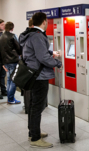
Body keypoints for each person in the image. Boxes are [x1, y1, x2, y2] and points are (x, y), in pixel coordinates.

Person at [19, 12, 62, 148]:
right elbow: (42, 58)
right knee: (38, 106)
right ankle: (35, 139)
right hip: (40, 75)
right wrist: (57, 63)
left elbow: (34, 52)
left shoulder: (29, 34)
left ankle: (33, 132)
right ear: (44, 21)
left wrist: (50, 53)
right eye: (47, 21)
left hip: (33, 75)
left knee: (33, 105)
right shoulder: (37, 36)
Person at [0, 22, 22, 104]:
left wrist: (2, 63)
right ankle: (11, 98)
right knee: (13, 80)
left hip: (5, 61)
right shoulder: (13, 36)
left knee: (9, 79)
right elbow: (18, 48)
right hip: (13, 61)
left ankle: (9, 97)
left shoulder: (1, 37)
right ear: (12, 28)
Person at [0, 19, 8, 99]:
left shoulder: (3, 35)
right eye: (2, 24)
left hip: (2, 59)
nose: (4, 26)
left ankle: (3, 90)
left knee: (2, 76)